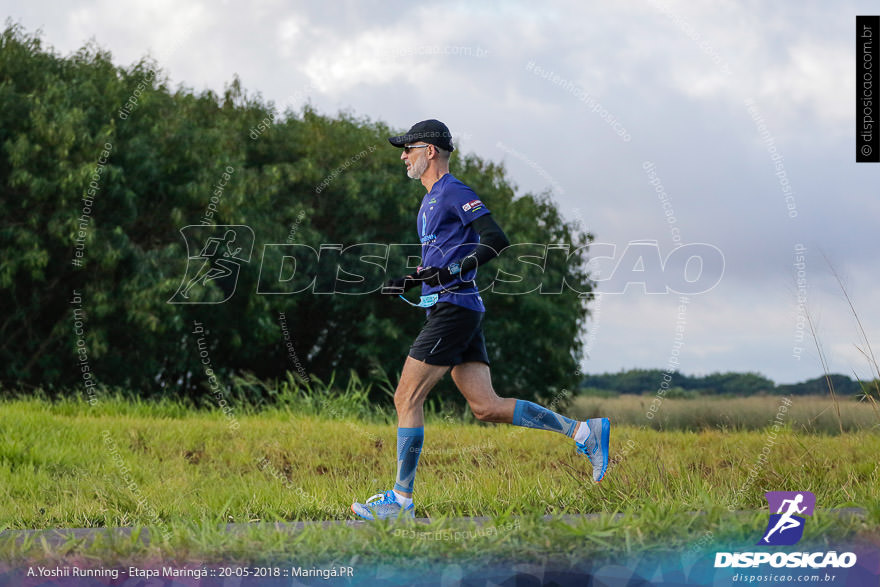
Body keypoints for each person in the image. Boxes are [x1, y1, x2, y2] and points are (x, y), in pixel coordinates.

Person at [350, 120, 610, 521]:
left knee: (406, 397)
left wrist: (453, 272)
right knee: (486, 407)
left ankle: (401, 501)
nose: (403, 156)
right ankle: (583, 432)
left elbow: (495, 238)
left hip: (455, 309)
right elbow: (440, 260)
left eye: (408, 148)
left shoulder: (453, 191)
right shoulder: (428, 201)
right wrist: (413, 278)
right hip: (454, 307)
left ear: (430, 151)